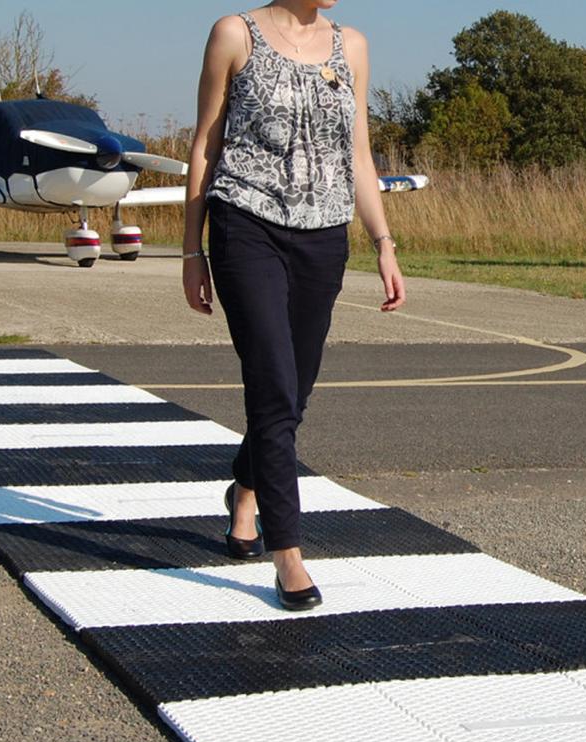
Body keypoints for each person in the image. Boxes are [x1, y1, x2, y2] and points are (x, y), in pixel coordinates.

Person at [182, 0, 404, 611]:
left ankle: (246, 489)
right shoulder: (235, 34)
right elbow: (206, 143)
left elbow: (359, 154)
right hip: (245, 225)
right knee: (273, 387)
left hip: (324, 236)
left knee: (295, 391)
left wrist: (384, 243)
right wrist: (190, 251)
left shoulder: (351, 46)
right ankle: (289, 555)